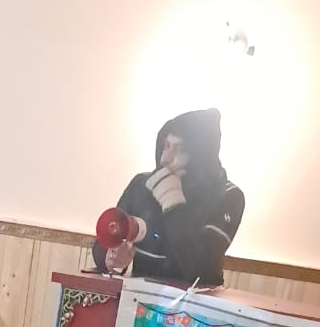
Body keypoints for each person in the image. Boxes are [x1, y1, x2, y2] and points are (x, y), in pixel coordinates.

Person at [92, 108, 244, 287]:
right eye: (166, 146)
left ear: (200, 155)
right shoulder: (142, 184)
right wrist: (111, 257)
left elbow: (200, 268)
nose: (165, 158)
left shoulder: (228, 196)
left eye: (179, 149)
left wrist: (172, 202)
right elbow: (105, 239)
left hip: (195, 301)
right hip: (139, 297)